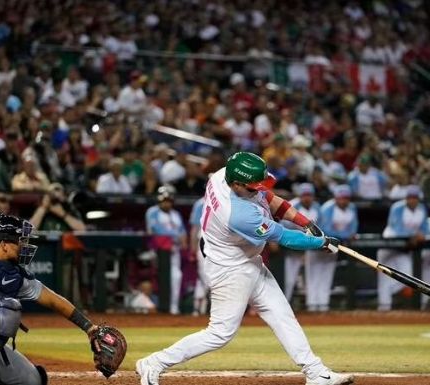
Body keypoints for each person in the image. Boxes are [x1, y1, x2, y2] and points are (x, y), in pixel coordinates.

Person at [136, 152, 354, 385]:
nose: (257, 190)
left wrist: (306, 222)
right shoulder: (237, 214)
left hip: (246, 259)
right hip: (230, 268)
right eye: (252, 187)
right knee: (220, 333)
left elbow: (268, 197)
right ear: (237, 184)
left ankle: (316, 372)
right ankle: (154, 362)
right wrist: (321, 243)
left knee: (281, 315)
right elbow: (284, 237)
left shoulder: (224, 174)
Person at [0, 214, 117, 385]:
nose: (24, 245)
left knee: (32, 380)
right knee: (6, 308)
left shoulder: (14, 274)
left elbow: (52, 299)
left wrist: (88, 328)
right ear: (4, 245)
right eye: (20, 240)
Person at [377, 185, 428, 311]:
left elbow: (425, 229)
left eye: (415, 197)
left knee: (408, 275)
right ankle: (384, 309)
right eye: (410, 197)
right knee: (384, 277)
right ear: (406, 198)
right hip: (389, 245)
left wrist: (421, 235)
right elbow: (397, 228)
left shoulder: (422, 209)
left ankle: (388, 292)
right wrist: (413, 236)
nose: (412, 200)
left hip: (404, 249)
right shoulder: (398, 208)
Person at [145, 185, 186, 315]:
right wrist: (175, 235)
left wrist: (182, 239)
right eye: (164, 200)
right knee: (160, 279)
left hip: (174, 250)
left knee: (176, 276)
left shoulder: (176, 214)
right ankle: (161, 306)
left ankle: (173, 306)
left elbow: (183, 231)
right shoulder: (153, 211)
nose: (166, 203)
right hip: (157, 250)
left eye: (168, 200)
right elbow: (154, 229)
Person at [316, 185, 358, 312]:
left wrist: (347, 237)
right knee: (315, 275)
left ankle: (323, 305)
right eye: (341, 198)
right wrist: (344, 237)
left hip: (335, 245)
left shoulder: (352, 208)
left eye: (346, 198)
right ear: (336, 198)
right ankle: (312, 304)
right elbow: (325, 229)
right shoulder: (327, 208)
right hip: (321, 244)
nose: (343, 200)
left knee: (327, 275)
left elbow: (353, 227)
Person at [281, 183, 321, 304]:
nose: (307, 198)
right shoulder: (292, 206)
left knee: (311, 278)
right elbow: (283, 226)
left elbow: (321, 227)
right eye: (304, 195)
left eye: (309, 195)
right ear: (299, 195)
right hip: (292, 246)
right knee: (288, 279)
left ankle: (312, 305)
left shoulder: (317, 207)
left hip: (309, 247)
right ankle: (284, 304)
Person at [188, 196, 209, 316]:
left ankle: (200, 308)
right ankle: (200, 307)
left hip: (220, 245)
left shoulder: (227, 199)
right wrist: (192, 249)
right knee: (204, 276)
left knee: (207, 278)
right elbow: (195, 228)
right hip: (204, 244)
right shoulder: (201, 203)